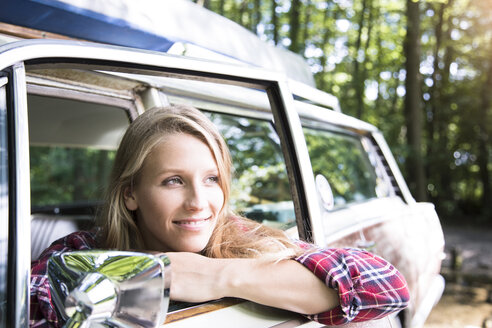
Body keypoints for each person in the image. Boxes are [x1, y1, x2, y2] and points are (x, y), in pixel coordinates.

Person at [30, 105, 410, 327]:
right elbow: (33, 303)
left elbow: (388, 286)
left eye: (211, 179)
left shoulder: (239, 238)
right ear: (130, 193)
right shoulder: (80, 252)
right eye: (173, 181)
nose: (199, 202)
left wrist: (217, 276)